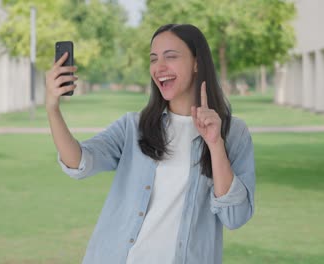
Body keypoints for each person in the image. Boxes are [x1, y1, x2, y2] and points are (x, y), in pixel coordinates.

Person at [45, 24, 255, 264]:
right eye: (154, 59)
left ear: (197, 63)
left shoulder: (234, 133)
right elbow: (78, 162)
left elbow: (235, 216)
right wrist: (52, 108)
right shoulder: (133, 127)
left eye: (171, 57)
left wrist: (216, 145)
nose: (159, 67)